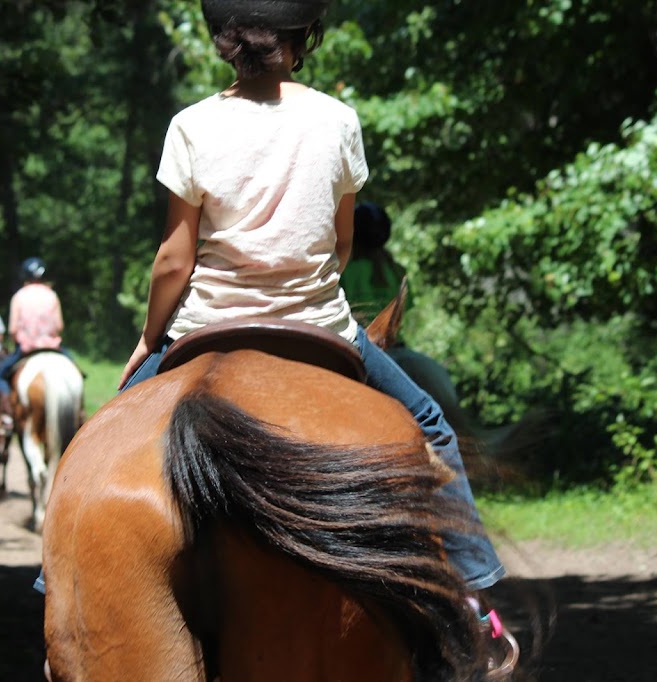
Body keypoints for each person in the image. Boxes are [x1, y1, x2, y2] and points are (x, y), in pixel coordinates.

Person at [112, 0, 514, 655]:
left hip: (207, 325)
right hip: (319, 325)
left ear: (223, 41)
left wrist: (148, 340)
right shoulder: (336, 118)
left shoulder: (190, 125)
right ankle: (473, 594)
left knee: (111, 429)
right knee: (432, 424)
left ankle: (60, 588)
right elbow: (341, 240)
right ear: (303, 39)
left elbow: (174, 259)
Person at [0, 257, 65, 430]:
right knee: (78, 372)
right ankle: (80, 414)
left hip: (27, 349)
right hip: (52, 348)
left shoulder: (19, 296)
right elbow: (59, 326)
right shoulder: (52, 295)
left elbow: (12, 329)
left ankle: (8, 413)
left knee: (1, 375)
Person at [338, 201, 410, 328]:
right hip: (391, 343)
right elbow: (405, 309)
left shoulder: (343, 271)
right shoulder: (398, 272)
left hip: (354, 343)